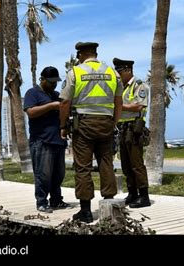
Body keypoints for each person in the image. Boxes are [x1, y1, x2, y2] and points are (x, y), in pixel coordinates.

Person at [59, 42, 123, 223]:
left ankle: (86, 212)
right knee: (106, 162)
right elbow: (119, 102)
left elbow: (64, 103)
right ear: (96, 53)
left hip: (83, 124)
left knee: (83, 166)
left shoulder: (75, 72)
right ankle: (110, 206)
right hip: (107, 123)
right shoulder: (112, 73)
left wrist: (63, 126)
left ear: (80, 54)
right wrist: (114, 122)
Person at [24, 66, 70, 213]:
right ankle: (42, 202)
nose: (53, 84)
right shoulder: (33, 93)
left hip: (58, 140)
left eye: (55, 81)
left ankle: (56, 200)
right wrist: (51, 106)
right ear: (42, 79)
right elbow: (30, 112)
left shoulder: (57, 95)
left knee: (58, 174)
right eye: (50, 82)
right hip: (41, 141)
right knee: (43, 174)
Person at [113, 58, 151, 208]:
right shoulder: (121, 87)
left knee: (136, 163)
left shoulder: (139, 85)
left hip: (134, 128)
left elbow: (138, 106)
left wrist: (119, 106)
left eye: (120, 71)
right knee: (126, 164)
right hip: (122, 128)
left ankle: (144, 196)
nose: (118, 75)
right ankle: (132, 193)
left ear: (128, 70)